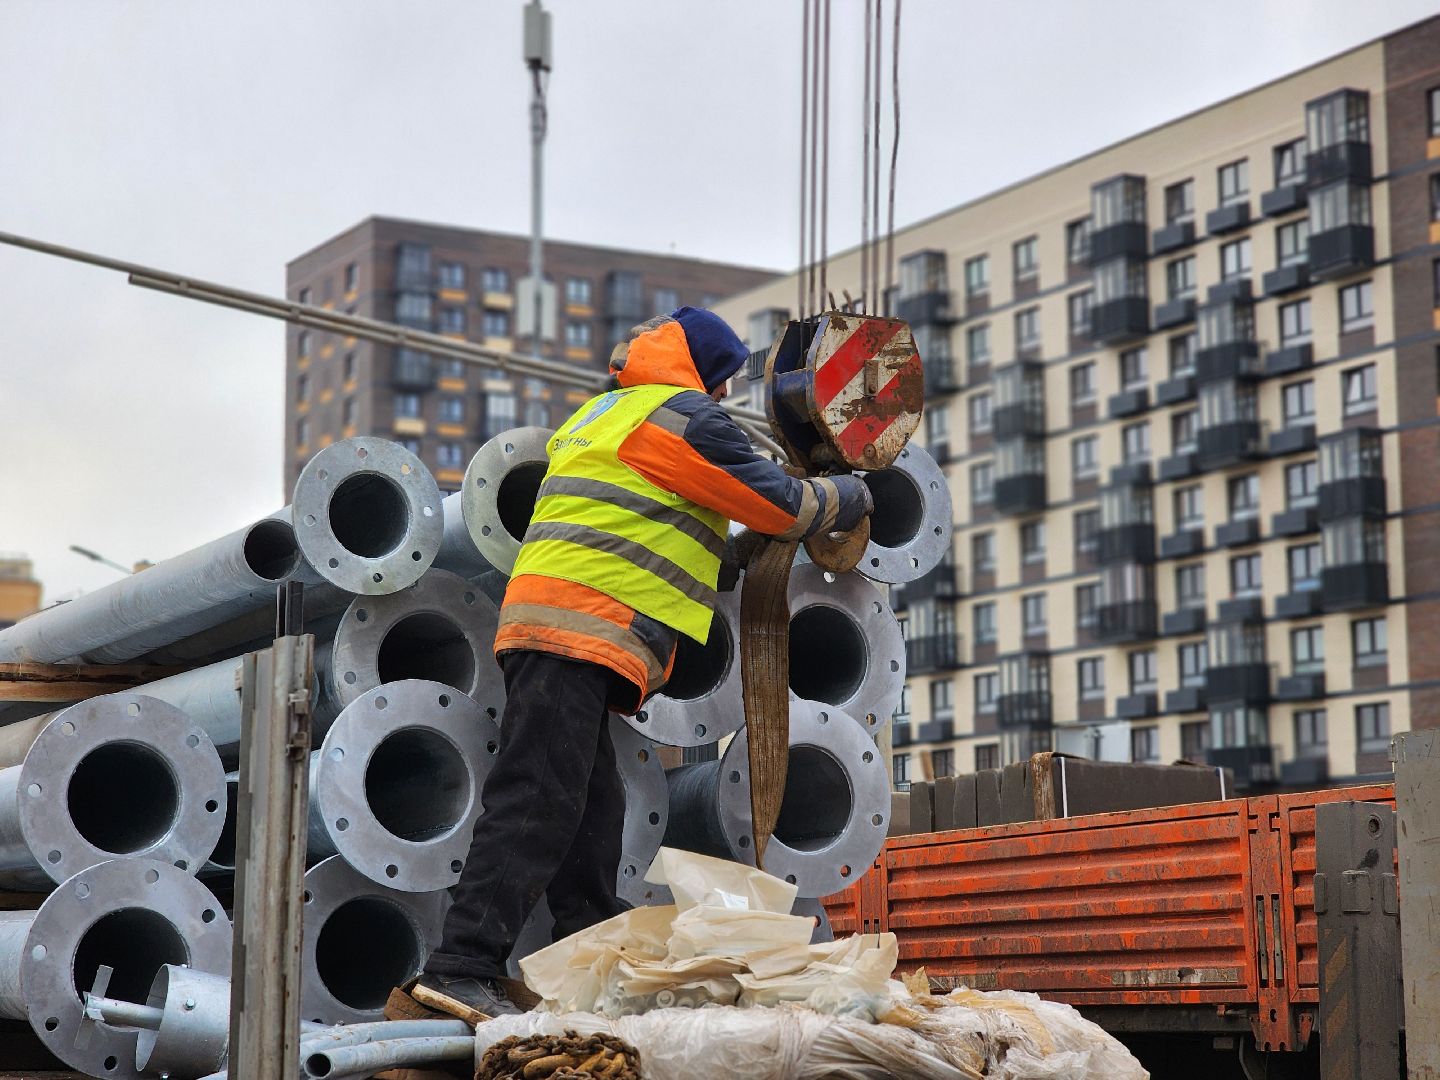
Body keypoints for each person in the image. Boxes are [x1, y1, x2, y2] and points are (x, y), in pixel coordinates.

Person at [412, 307, 873, 1018]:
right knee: (536, 801)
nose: (723, 398)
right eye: (721, 381)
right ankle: (460, 964)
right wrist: (848, 494)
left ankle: (588, 963)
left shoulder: (606, 415)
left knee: (594, 810)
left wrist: (733, 554)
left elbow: (648, 522)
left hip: (559, 626)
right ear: (705, 373)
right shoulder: (684, 416)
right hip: (581, 631)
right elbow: (781, 503)